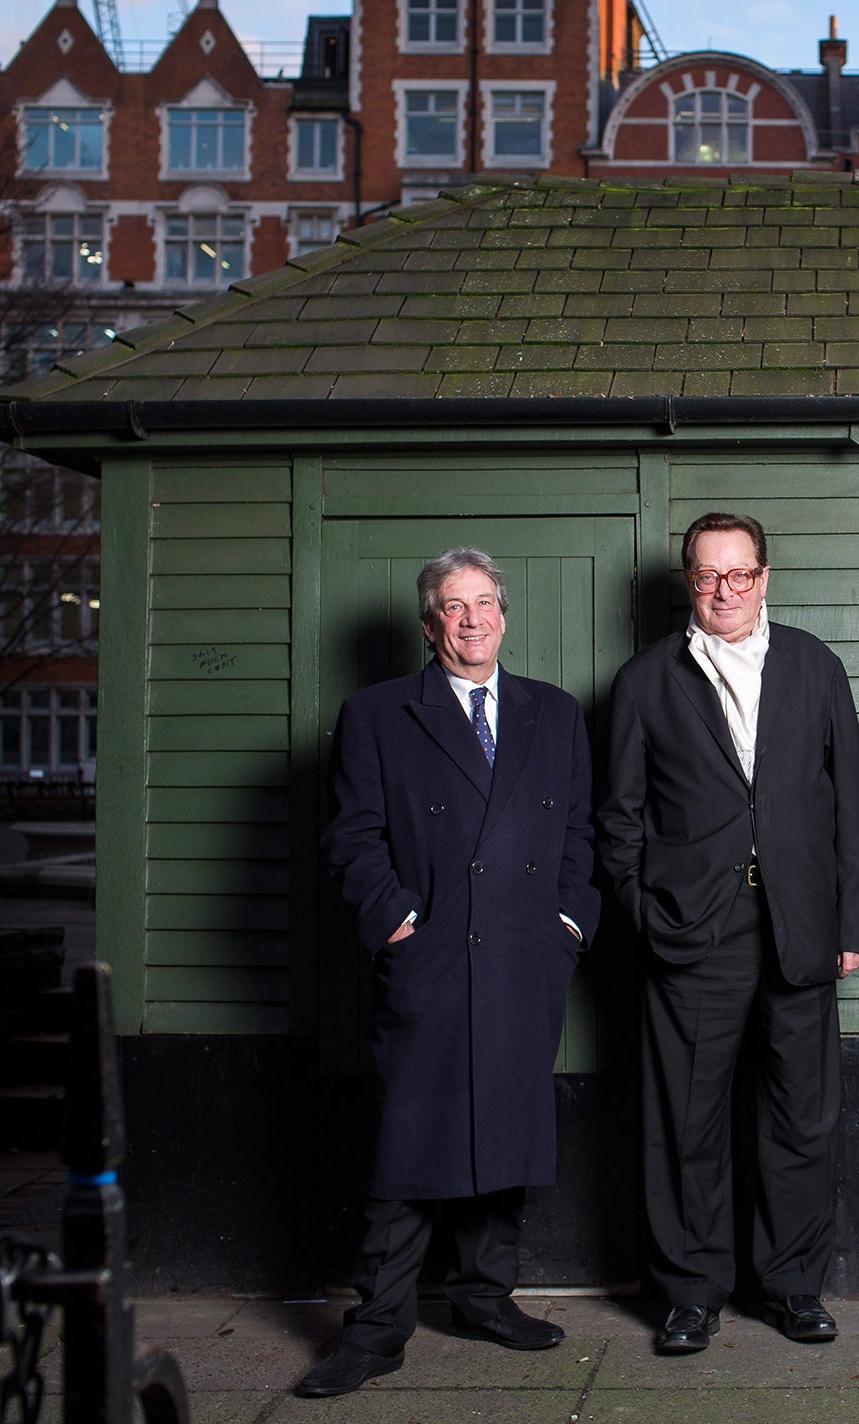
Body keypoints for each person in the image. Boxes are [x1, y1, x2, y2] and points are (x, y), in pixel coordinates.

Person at [299, 547, 599, 1398]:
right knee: (410, 1142)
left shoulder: (555, 713)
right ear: (429, 624)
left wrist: (571, 923)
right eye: (452, 607)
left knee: (507, 1135)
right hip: (431, 959)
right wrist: (397, 923)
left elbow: (581, 835)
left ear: (504, 614)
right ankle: (378, 1328)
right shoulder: (380, 713)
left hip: (523, 958)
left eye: (484, 604)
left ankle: (483, 1296)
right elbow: (351, 839)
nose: (471, 620)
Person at [598, 512, 859, 1356]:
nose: (723, 591)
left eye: (740, 574)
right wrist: (649, 916)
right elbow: (619, 821)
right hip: (693, 935)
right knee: (686, 1121)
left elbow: (851, 806)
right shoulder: (645, 680)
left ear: (766, 577)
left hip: (800, 929)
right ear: (690, 581)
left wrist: (852, 923)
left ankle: (794, 1287)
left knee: (802, 1117)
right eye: (707, 576)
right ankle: (690, 1293)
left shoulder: (815, 665)